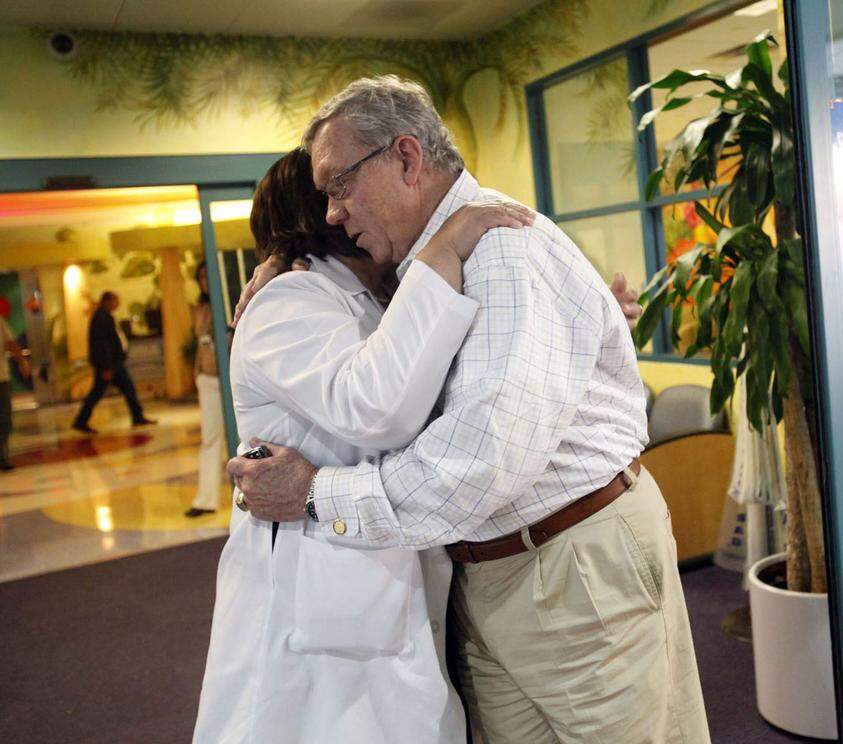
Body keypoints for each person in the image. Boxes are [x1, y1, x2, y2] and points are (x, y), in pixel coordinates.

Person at [228, 75, 711, 743]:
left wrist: (315, 495)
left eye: (339, 186)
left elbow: (479, 462)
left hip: (569, 563)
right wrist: (283, 261)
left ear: (406, 157)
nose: (332, 212)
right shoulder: (417, 268)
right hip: (488, 569)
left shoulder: (499, 246)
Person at [193, 148, 535, 743]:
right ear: (322, 212)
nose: (351, 207)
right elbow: (376, 408)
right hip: (323, 596)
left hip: (389, 568)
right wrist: (443, 248)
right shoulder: (287, 302)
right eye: (340, 191)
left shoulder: (377, 298)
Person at [71, 291, 156, 435]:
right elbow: (101, 344)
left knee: (127, 388)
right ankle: (81, 421)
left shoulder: (105, 316)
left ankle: (137, 417)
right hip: (108, 365)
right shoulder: (101, 318)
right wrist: (106, 366)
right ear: (107, 301)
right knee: (98, 393)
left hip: (114, 363)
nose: (117, 304)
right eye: (115, 301)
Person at [184, 263, 224, 517]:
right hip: (207, 378)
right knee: (210, 439)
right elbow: (200, 342)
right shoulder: (200, 309)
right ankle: (206, 500)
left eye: (207, 276)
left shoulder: (230, 302)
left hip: (230, 378)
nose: (204, 281)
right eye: (200, 277)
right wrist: (198, 371)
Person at [0, 309, 31, 471]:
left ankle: (3, 457)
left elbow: (11, 342)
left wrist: (22, 361)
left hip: (1, 378)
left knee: (5, 419)